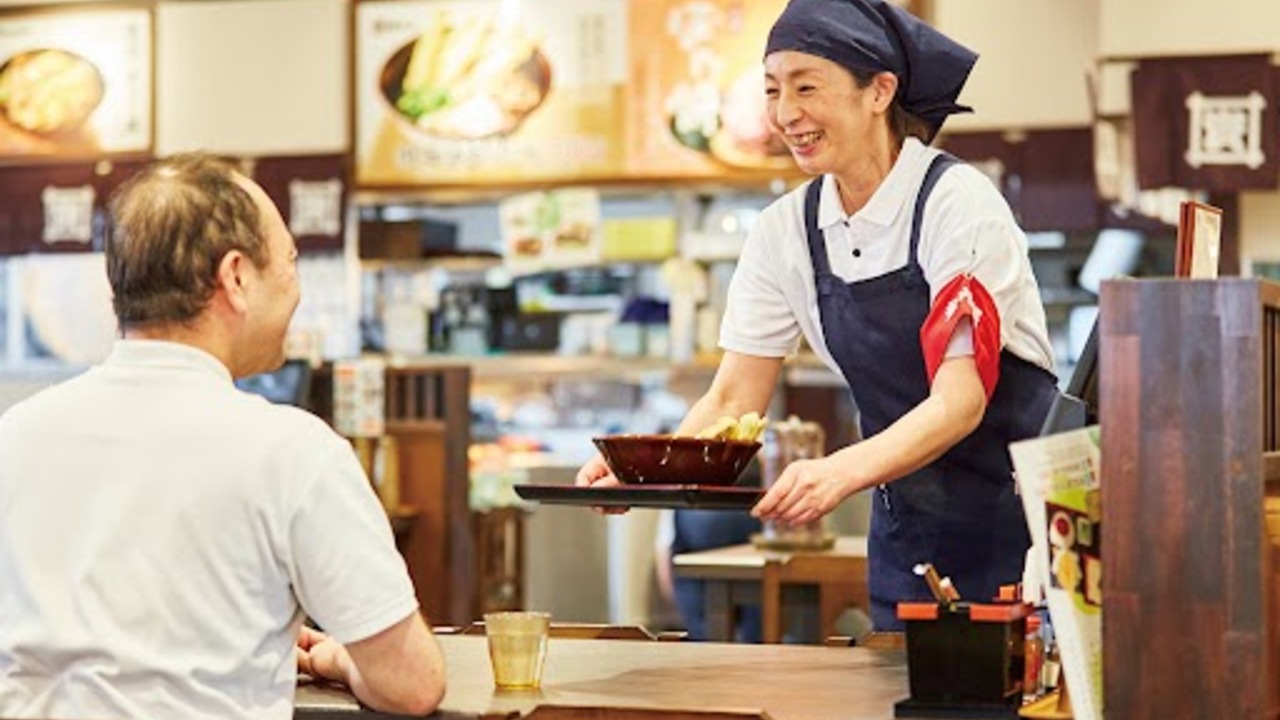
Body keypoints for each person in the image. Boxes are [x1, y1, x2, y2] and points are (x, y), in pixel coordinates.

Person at [578, 0, 1059, 631]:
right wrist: (645, 468)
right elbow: (732, 398)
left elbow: (960, 399)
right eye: (773, 90)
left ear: (879, 91)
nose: (785, 114)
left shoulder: (955, 203)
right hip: (908, 537)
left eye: (807, 87)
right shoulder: (786, 231)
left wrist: (837, 473)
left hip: (1018, 526)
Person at [0, 154, 446, 719]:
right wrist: (335, 660)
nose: (297, 288)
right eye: (290, 261)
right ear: (236, 277)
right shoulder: (293, 452)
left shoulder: (15, 436)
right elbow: (411, 685)